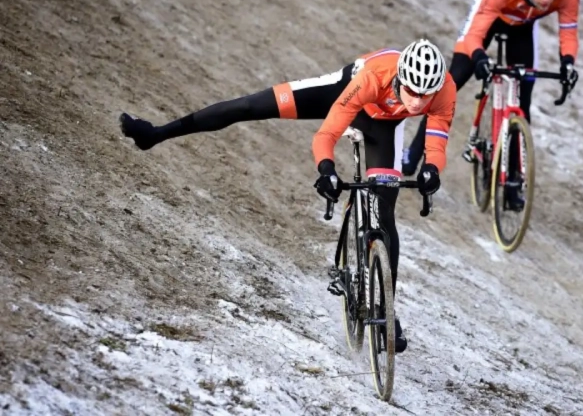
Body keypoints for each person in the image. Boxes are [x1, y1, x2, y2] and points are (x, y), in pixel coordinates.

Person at [119, 39, 457, 353]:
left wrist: (432, 170)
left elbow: (436, 142)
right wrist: (326, 169)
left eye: (424, 96)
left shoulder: (444, 91)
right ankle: (156, 133)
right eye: (411, 90)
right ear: (400, 76)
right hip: (343, 96)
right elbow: (327, 133)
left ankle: (387, 311)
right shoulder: (373, 77)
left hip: (384, 127)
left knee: (385, 216)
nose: (416, 101)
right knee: (248, 106)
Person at [401, 0, 580, 210]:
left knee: (524, 101)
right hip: (490, 15)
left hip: (522, 27)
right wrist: (480, 58)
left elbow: (569, 32)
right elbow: (474, 36)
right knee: (453, 80)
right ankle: (414, 151)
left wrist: (567, 64)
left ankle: (513, 182)